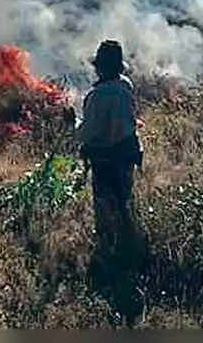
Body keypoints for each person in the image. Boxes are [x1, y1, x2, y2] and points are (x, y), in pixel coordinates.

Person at [76, 40, 143, 251]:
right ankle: (130, 242)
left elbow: (87, 133)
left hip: (104, 160)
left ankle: (108, 248)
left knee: (104, 205)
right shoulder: (125, 85)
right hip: (127, 154)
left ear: (101, 67)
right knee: (125, 200)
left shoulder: (95, 97)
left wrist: (72, 123)